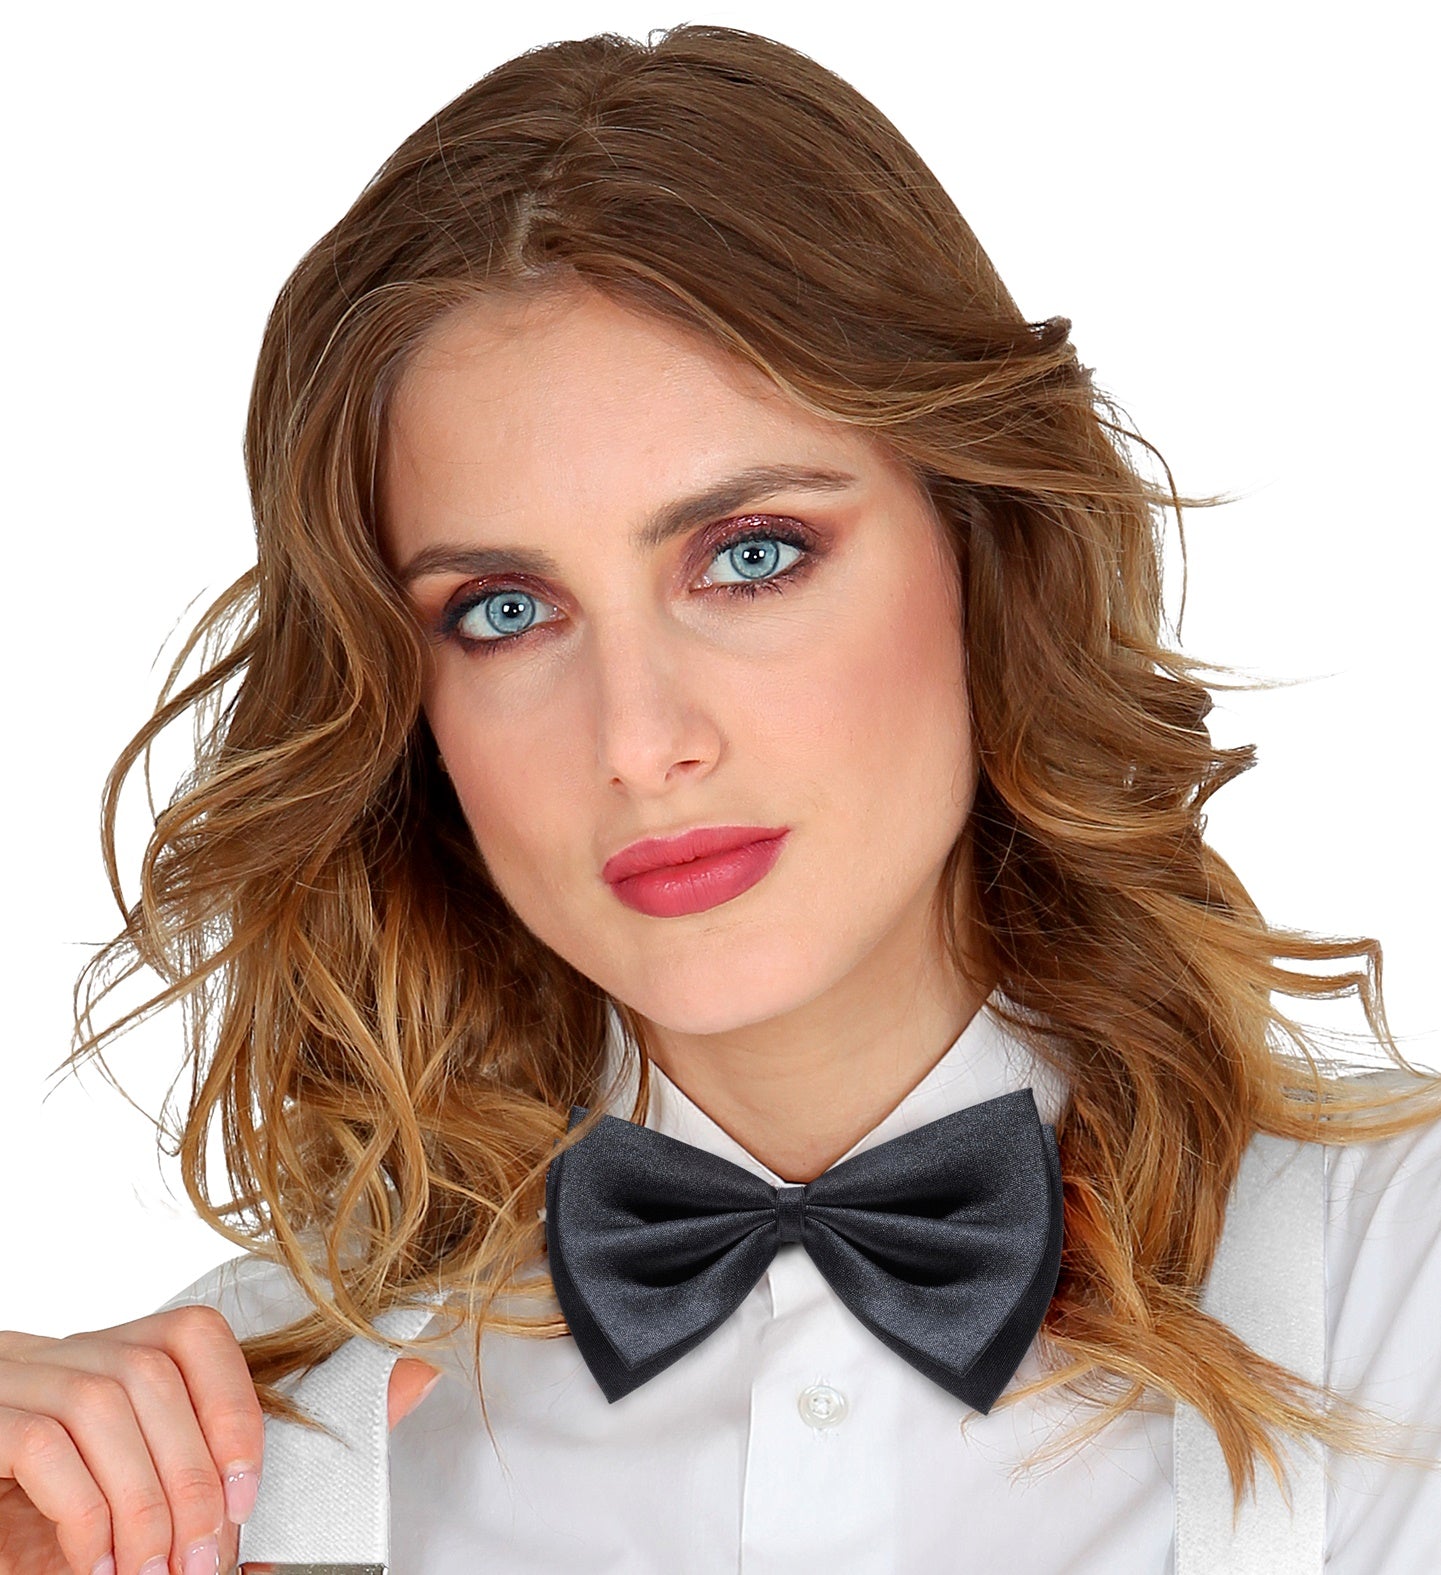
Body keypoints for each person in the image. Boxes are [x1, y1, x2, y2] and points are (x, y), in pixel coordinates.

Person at [2, 21, 1438, 1575]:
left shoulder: (1396, 1281)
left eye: (750, 555)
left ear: (981, 548)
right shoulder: (223, 1445)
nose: (639, 739)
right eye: (502, 611)